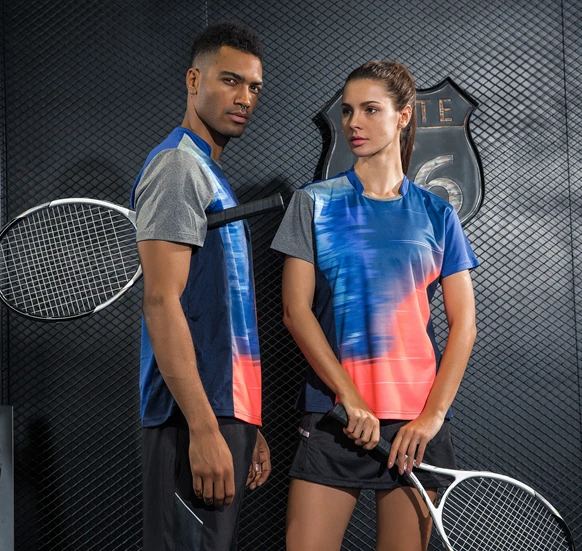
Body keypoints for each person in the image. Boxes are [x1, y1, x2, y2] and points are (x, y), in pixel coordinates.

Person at [271, 61, 479, 551]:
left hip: (415, 427)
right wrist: (349, 396)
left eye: (370, 110)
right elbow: (295, 312)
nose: (354, 123)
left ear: (403, 116)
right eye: (347, 111)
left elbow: (464, 324)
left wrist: (431, 418)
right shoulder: (313, 203)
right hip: (335, 415)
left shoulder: (437, 213)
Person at [131, 22, 271, 551]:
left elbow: (218, 312)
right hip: (188, 420)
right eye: (230, 81)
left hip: (220, 412)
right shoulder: (178, 167)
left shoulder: (209, 173)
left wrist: (246, 420)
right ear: (194, 81)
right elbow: (160, 301)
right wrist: (206, 428)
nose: (245, 98)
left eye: (254, 87)